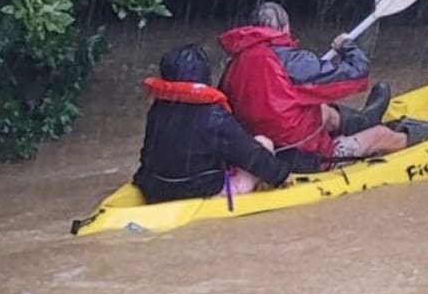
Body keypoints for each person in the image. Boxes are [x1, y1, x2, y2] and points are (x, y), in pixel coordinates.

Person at [218, 1, 428, 161]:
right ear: (284, 28)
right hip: (301, 154)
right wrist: (347, 46)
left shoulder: (233, 64)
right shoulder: (292, 62)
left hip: (264, 148)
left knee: (323, 110)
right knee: (380, 135)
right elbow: (356, 73)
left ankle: (365, 119)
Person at [132, 44, 322, 204]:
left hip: (155, 190)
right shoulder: (212, 114)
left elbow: (147, 154)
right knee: (264, 143)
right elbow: (250, 153)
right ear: (203, 76)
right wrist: (281, 175)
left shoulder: (159, 109)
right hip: (199, 192)